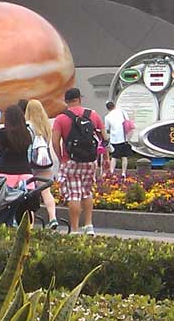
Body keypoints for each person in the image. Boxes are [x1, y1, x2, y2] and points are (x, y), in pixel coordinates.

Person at [52, 87, 104, 235]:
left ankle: (74, 229)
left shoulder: (61, 118)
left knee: (74, 194)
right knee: (87, 192)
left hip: (70, 160)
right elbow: (104, 137)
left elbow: (55, 141)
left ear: (66, 101)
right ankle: (89, 225)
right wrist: (103, 158)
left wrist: (61, 157)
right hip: (89, 160)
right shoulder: (92, 115)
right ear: (79, 99)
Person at [23, 99, 61, 230]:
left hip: (30, 163)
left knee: (30, 193)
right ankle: (53, 218)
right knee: (46, 192)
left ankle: (30, 224)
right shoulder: (46, 126)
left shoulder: (27, 126)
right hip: (45, 162)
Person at [103, 100, 132, 174]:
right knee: (124, 157)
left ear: (107, 108)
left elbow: (107, 128)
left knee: (114, 157)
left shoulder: (107, 117)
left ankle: (112, 172)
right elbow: (128, 122)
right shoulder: (122, 112)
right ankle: (123, 173)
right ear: (114, 105)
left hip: (114, 139)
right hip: (124, 138)